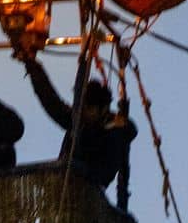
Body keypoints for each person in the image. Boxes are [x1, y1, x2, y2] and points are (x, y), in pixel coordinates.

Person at [20, 56, 137, 192]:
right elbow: (52, 103)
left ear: (103, 109)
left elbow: (103, 173)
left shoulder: (115, 135)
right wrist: (33, 67)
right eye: (83, 108)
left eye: (89, 109)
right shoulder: (80, 122)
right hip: (65, 190)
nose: (84, 113)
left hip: (86, 196)